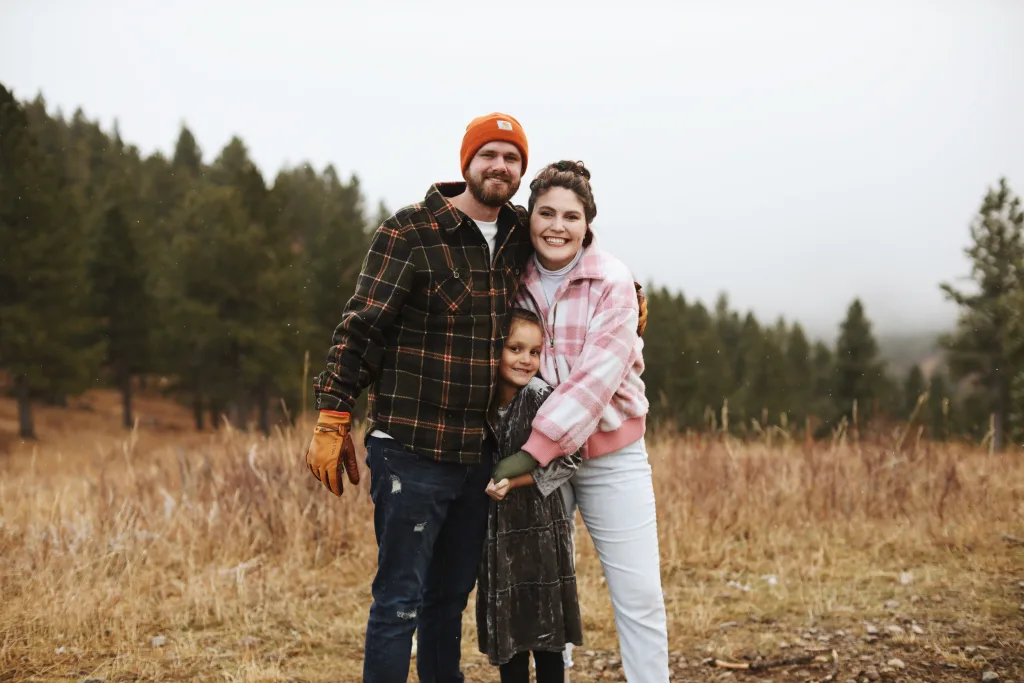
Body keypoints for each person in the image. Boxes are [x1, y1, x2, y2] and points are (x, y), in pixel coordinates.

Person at [304, 112, 535, 683]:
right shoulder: (410, 231)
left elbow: (570, 246)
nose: (500, 166)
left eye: (512, 158)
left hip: (476, 452)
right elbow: (361, 328)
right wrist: (334, 415)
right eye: (490, 155)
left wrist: (622, 293)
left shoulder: (516, 233)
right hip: (409, 449)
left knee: (447, 600)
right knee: (399, 601)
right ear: (467, 163)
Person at [492, 160, 670, 683]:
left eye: (570, 216)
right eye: (545, 212)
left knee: (638, 593)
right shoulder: (513, 280)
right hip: (541, 465)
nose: (556, 226)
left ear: (587, 223)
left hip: (607, 456)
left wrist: (533, 451)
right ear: (529, 219)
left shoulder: (611, 281)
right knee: (547, 588)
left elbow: (594, 382)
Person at [476, 308, 583, 683]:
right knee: (510, 631)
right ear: (496, 349)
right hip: (498, 534)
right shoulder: (481, 398)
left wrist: (514, 481)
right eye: (515, 348)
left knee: (546, 631)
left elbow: (569, 460)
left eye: (534, 352)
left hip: (539, 528)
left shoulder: (541, 396)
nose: (525, 360)